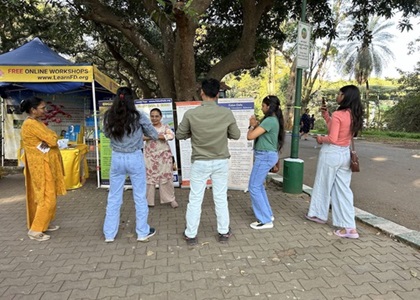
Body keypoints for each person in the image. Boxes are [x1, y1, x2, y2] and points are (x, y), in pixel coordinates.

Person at [176, 78, 241, 245]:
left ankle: (191, 235)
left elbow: (179, 134)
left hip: (200, 162)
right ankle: (223, 232)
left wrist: (193, 133)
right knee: (220, 197)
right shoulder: (226, 113)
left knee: (195, 198)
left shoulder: (191, 114)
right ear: (218, 93)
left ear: (202, 92)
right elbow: (235, 135)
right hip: (220, 161)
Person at [305, 85, 364, 239]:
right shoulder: (354, 114)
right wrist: (326, 116)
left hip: (331, 153)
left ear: (345, 97)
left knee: (322, 185)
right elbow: (337, 131)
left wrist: (319, 138)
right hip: (345, 155)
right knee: (343, 191)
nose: (337, 96)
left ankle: (318, 214)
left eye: (340, 94)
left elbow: (332, 138)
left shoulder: (339, 114)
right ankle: (350, 227)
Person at [102, 87, 159, 243]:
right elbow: (153, 134)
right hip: (135, 157)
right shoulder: (139, 116)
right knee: (140, 196)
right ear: (131, 99)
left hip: (117, 158)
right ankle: (142, 232)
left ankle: (109, 234)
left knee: (114, 197)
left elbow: (106, 133)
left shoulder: (109, 116)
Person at [20, 97, 67, 241]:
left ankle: (45, 223)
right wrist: (51, 138)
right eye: (42, 108)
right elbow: (52, 140)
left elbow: (51, 138)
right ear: (33, 110)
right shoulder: (30, 124)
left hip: (45, 162)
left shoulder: (36, 122)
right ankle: (35, 230)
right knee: (46, 197)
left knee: (50, 195)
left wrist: (51, 138)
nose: (45, 110)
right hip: (40, 165)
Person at [247, 96, 285, 230]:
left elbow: (250, 136)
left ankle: (265, 220)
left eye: (263, 106)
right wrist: (256, 125)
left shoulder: (269, 120)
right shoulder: (273, 120)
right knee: (259, 186)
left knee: (254, 187)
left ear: (269, 106)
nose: (262, 108)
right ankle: (267, 214)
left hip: (265, 156)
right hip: (267, 156)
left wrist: (252, 125)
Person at [144, 108, 178, 208]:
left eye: (156, 116)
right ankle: (149, 201)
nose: (154, 118)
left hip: (164, 157)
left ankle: (170, 199)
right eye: (152, 116)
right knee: (149, 178)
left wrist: (155, 136)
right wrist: (155, 136)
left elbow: (171, 136)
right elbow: (141, 137)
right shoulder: (147, 127)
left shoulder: (165, 127)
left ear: (161, 117)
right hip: (150, 156)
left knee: (166, 178)